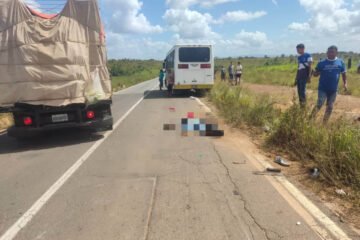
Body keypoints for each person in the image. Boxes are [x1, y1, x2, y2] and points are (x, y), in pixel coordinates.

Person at [311, 45, 348, 123]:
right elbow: (316, 74)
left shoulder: (341, 62)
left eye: (332, 52)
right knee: (320, 103)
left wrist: (345, 84)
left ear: (336, 53)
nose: (330, 53)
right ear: (326, 53)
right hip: (322, 88)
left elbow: (344, 74)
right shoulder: (321, 63)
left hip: (333, 89)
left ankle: (325, 123)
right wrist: (314, 73)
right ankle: (310, 118)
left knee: (330, 106)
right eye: (328, 52)